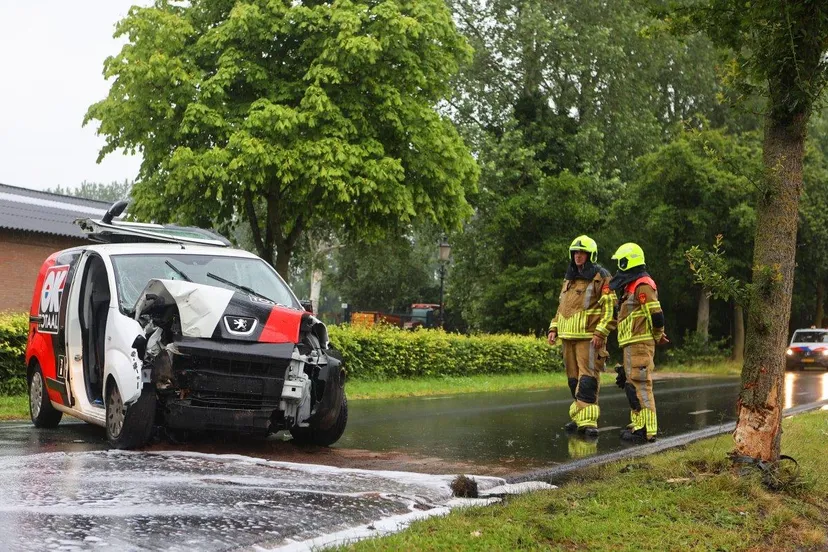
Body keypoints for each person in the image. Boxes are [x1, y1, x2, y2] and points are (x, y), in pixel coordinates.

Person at [548, 235, 615, 438]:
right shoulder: (569, 279)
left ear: (590, 255)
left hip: (589, 337)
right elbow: (562, 307)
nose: (578, 256)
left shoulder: (601, 276)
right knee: (573, 380)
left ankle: (589, 421)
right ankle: (579, 416)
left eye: (582, 252)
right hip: (567, 337)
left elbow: (610, 307)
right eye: (575, 252)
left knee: (588, 379)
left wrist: (601, 332)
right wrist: (553, 328)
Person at [609, 243, 667, 443]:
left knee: (641, 385)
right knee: (630, 384)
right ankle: (638, 424)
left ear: (628, 261)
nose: (618, 267)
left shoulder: (643, 284)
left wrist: (658, 335)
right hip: (631, 343)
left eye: (620, 262)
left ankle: (647, 429)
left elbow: (656, 314)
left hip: (640, 342)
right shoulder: (630, 286)